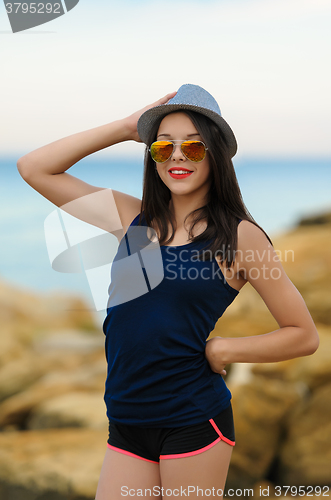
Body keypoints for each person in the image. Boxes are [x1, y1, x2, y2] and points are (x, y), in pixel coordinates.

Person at [17, 84, 319, 500]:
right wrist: (126, 127)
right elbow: (35, 168)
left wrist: (225, 350)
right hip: (126, 418)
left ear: (215, 155)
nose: (177, 156)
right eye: (163, 147)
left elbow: (303, 334)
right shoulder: (130, 218)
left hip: (192, 419)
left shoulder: (240, 238)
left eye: (193, 148)